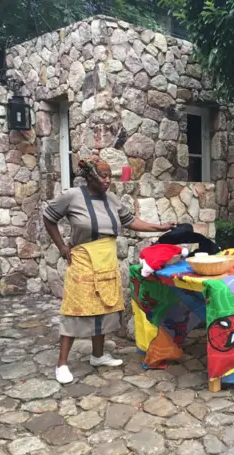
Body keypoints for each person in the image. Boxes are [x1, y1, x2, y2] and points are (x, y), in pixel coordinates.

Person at [43, 156, 175, 384]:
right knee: (76, 308)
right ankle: (62, 364)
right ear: (90, 176)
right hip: (83, 260)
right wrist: (62, 247)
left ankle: (97, 355)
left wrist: (159, 227)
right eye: (103, 176)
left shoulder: (111, 199)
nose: (107, 181)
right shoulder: (72, 196)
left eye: (109, 177)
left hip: (106, 258)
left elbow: (130, 221)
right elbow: (49, 217)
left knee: (103, 306)